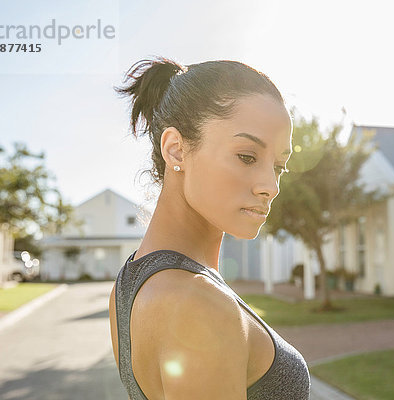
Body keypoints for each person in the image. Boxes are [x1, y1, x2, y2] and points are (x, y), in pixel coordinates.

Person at [108, 57, 311, 400]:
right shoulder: (198, 303)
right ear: (177, 150)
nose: (270, 186)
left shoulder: (129, 283)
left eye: (279, 166)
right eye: (247, 156)